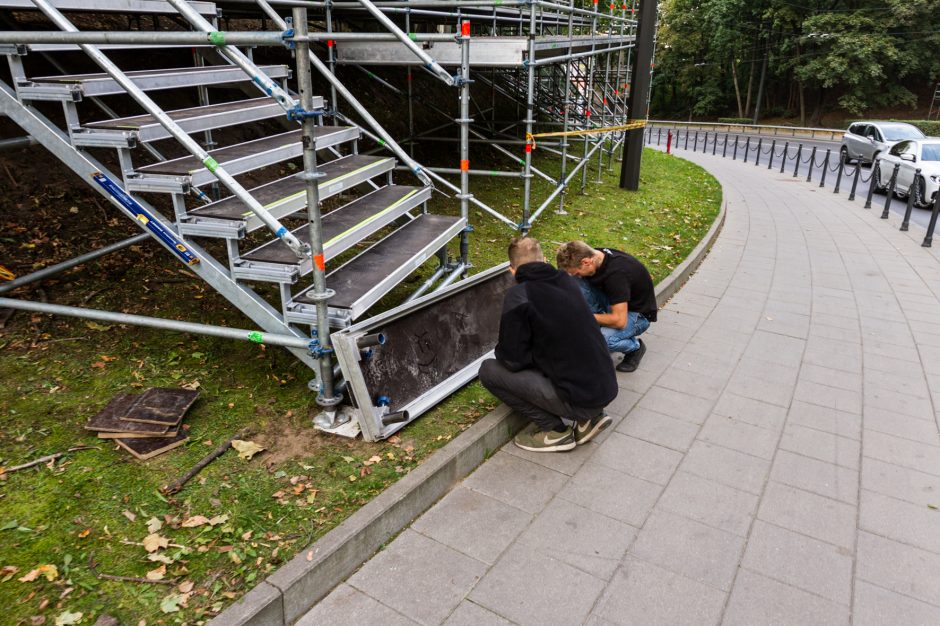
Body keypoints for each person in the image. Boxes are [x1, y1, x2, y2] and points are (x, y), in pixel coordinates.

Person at [478, 237, 617, 453]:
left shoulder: (519, 296)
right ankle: (589, 419)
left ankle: (554, 431)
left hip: (580, 398)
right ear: (544, 260)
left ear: (512, 270)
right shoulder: (568, 281)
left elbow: (512, 360)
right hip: (604, 386)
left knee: (489, 370)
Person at [556, 241, 657, 373]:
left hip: (637, 315)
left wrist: (582, 316)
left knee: (603, 340)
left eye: (577, 272)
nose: (578, 276)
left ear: (587, 262)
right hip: (613, 300)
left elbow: (619, 321)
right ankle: (595, 326)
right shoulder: (593, 255)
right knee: (574, 282)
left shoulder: (616, 275)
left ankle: (635, 348)